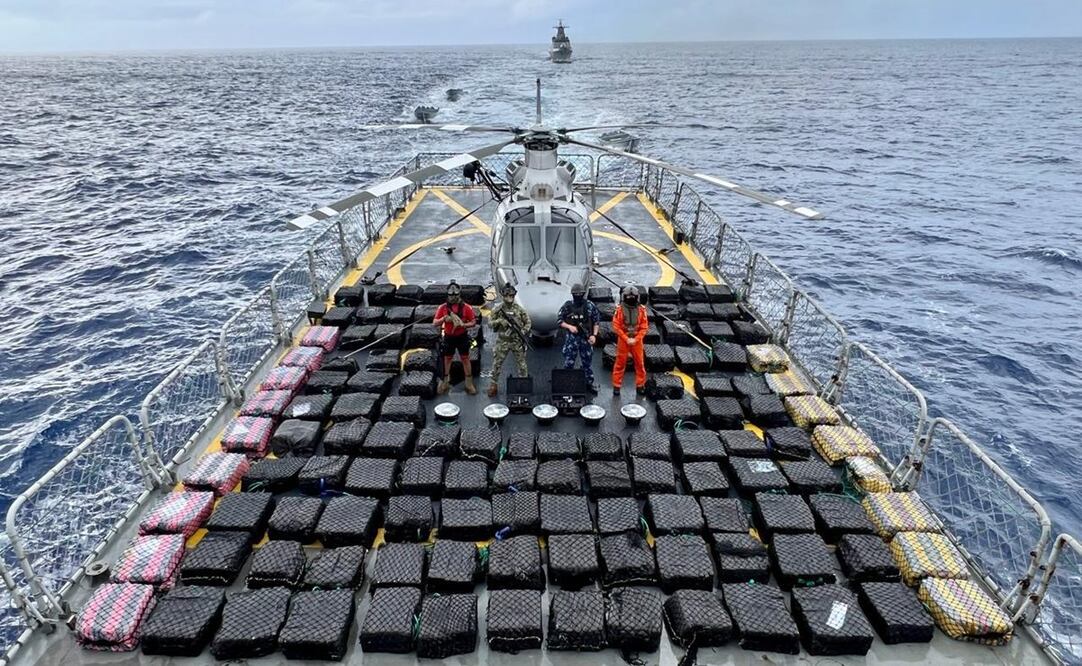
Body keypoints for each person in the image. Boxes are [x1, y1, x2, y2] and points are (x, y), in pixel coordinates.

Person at [487, 283, 531, 397]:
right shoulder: (498, 310)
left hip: (516, 341)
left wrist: (523, 332)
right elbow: (490, 323)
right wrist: (500, 321)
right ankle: (493, 384)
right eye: (507, 296)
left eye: (511, 295)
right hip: (503, 341)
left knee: (522, 365)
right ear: (503, 296)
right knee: (497, 364)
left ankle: (523, 384)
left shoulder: (519, 310)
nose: (509, 298)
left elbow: (528, 322)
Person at [433, 282, 478, 395]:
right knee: (447, 359)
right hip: (449, 337)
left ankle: (469, 383)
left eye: (456, 295)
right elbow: (435, 323)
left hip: (462, 336)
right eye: (451, 295)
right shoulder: (442, 308)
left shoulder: (467, 308)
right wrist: (444, 319)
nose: (453, 298)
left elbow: (473, 322)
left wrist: (463, 325)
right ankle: (445, 381)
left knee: (465, 358)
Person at [557, 282, 600, 393]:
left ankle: (589, 383)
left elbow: (596, 322)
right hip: (572, 339)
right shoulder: (567, 306)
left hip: (586, 339)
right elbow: (559, 321)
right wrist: (569, 326)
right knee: (569, 363)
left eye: (580, 293)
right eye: (576, 294)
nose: (578, 295)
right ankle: (567, 383)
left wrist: (594, 335)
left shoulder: (590, 305)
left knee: (587, 363)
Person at [611, 285, 648, 396]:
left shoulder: (642, 310)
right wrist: (626, 338)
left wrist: (635, 339)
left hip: (637, 341)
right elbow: (616, 326)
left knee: (640, 364)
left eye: (632, 296)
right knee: (620, 364)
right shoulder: (619, 310)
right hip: (624, 340)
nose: (630, 298)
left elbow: (644, 327)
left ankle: (640, 385)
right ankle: (616, 386)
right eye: (628, 296)